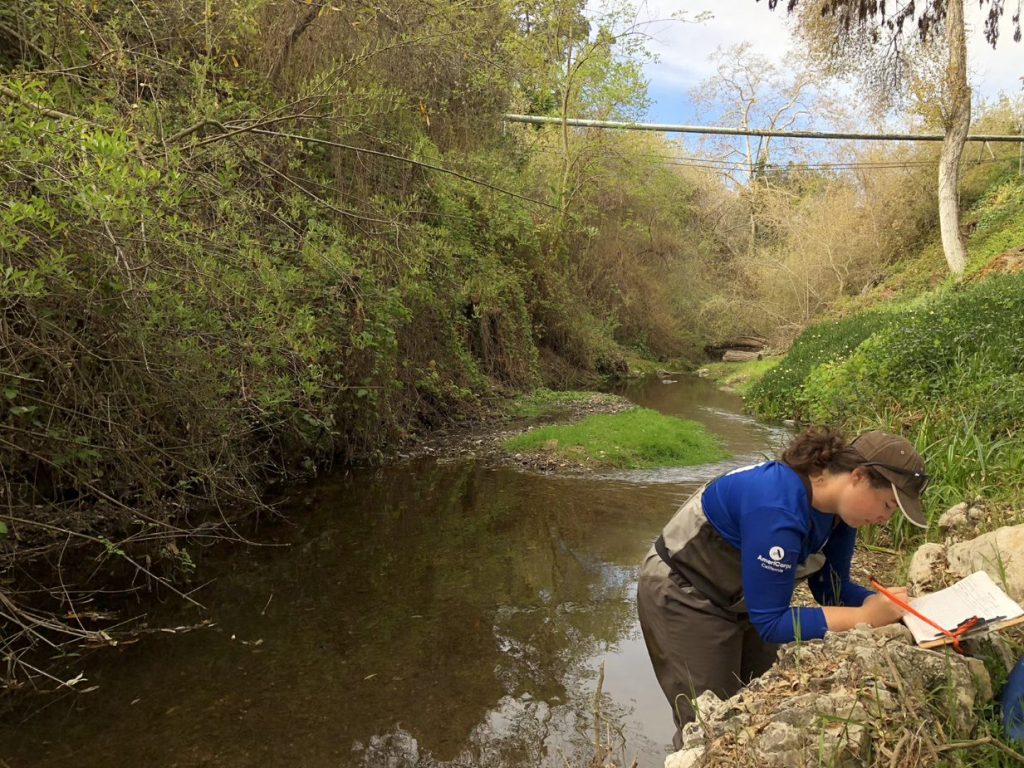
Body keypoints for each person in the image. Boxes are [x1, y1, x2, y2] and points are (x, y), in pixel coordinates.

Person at [636, 427, 928, 749]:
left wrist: (898, 606)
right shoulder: (778, 507)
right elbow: (772, 622)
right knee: (709, 726)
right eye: (887, 505)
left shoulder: (840, 513)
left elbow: (832, 589)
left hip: (743, 597)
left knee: (758, 703)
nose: (886, 518)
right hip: (683, 593)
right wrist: (867, 616)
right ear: (858, 476)